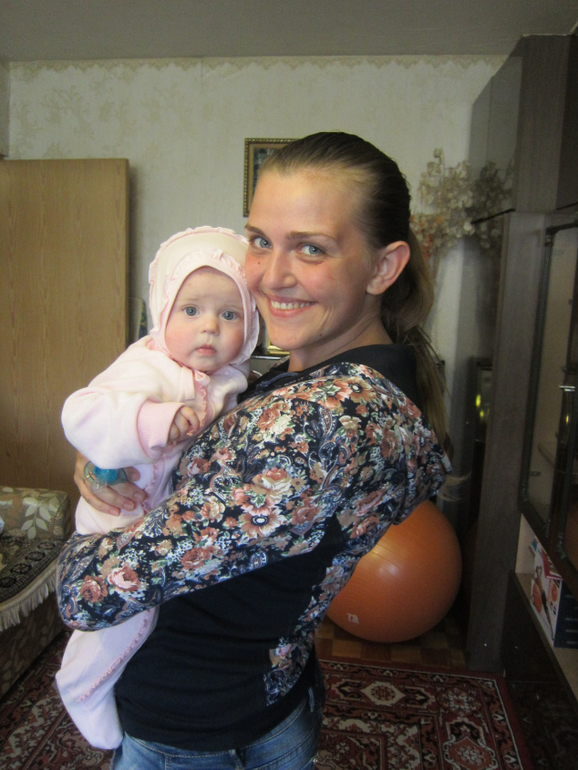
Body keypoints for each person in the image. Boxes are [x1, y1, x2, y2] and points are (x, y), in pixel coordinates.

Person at [56, 131, 452, 770]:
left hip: (198, 731)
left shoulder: (317, 423)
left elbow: (88, 592)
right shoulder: (329, 381)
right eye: (261, 241)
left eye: (312, 248)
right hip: (263, 699)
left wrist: (93, 528)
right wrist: (110, 453)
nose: (270, 276)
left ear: (384, 267)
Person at [55, 226, 260, 749]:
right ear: (162, 312)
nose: (209, 327)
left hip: (157, 515)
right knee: (128, 613)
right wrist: (151, 421)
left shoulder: (231, 378)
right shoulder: (147, 363)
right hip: (117, 515)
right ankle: (82, 685)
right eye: (190, 310)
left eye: (230, 314)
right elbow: (81, 412)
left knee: (144, 611)